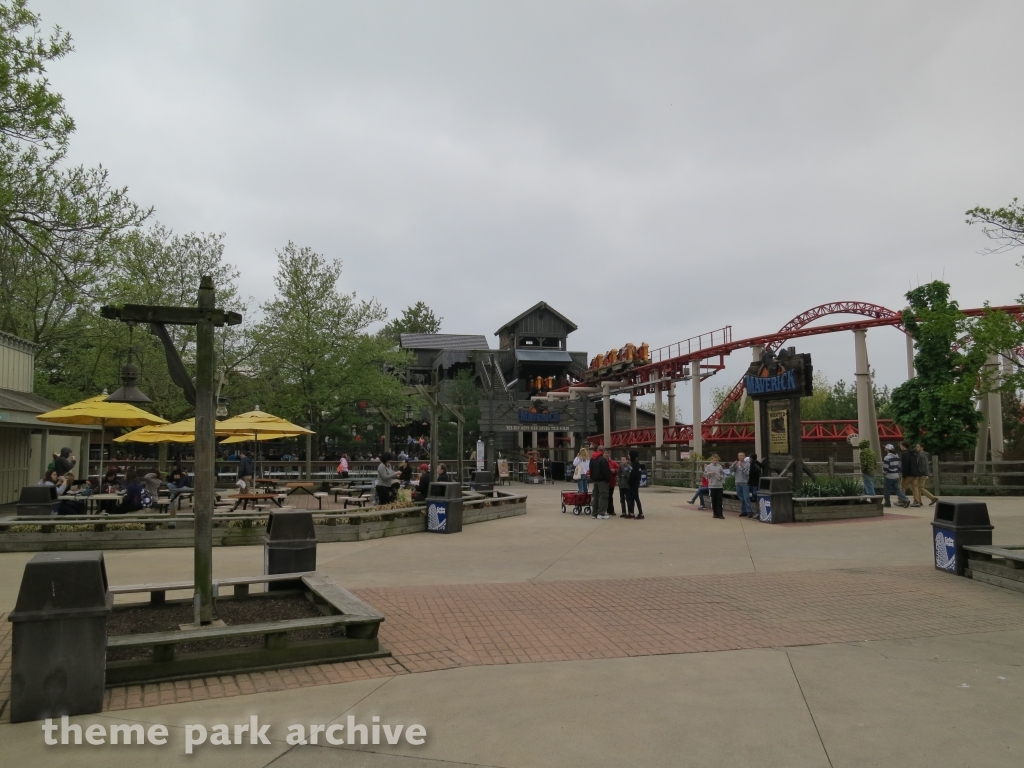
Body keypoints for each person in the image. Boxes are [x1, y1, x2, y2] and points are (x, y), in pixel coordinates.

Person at [589, 449, 611, 519]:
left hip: (595, 480)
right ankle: (601, 513)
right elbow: (606, 471)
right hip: (602, 481)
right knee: (603, 496)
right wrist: (607, 480)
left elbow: (590, 469)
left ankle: (594, 513)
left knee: (595, 497)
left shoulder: (592, 459)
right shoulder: (603, 460)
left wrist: (592, 478)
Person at [899, 441, 921, 506]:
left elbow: (905, 465)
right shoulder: (914, 453)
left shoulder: (904, 454)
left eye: (901, 445)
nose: (900, 447)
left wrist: (904, 474)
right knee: (915, 488)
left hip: (908, 473)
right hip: (914, 473)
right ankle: (917, 501)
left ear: (904, 446)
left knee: (902, 487)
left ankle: (901, 500)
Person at [704, 454, 726, 519]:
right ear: (711, 460)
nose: (715, 461)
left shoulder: (720, 466)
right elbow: (705, 474)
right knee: (713, 500)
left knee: (719, 500)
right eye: (714, 460)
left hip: (719, 485)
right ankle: (715, 513)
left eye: (716, 460)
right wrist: (710, 473)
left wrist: (721, 477)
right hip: (712, 485)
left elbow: (723, 474)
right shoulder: (708, 467)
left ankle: (720, 514)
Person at [732, 452, 752, 518]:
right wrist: (733, 465)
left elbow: (747, 473)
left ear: (744, 456)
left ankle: (749, 511)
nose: (740, 457)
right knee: (741, 497)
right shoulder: (736, 463)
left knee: (746, 497)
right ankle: (744, 511)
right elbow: (731, 470)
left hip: (745, 483)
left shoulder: (747, 464)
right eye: (739, 456)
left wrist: (742, 467)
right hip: (738, 482)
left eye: (742, 456)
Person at [626, 450, 644, 519]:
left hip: (634, 483)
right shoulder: (633, 463)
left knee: (636, 498)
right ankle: (631, 513)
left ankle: (641, 513)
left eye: (629, 454)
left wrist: (629, 480)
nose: (628, 456)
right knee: (631, 498)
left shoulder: (635, 463)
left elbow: (634, 474)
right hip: (632, 483)